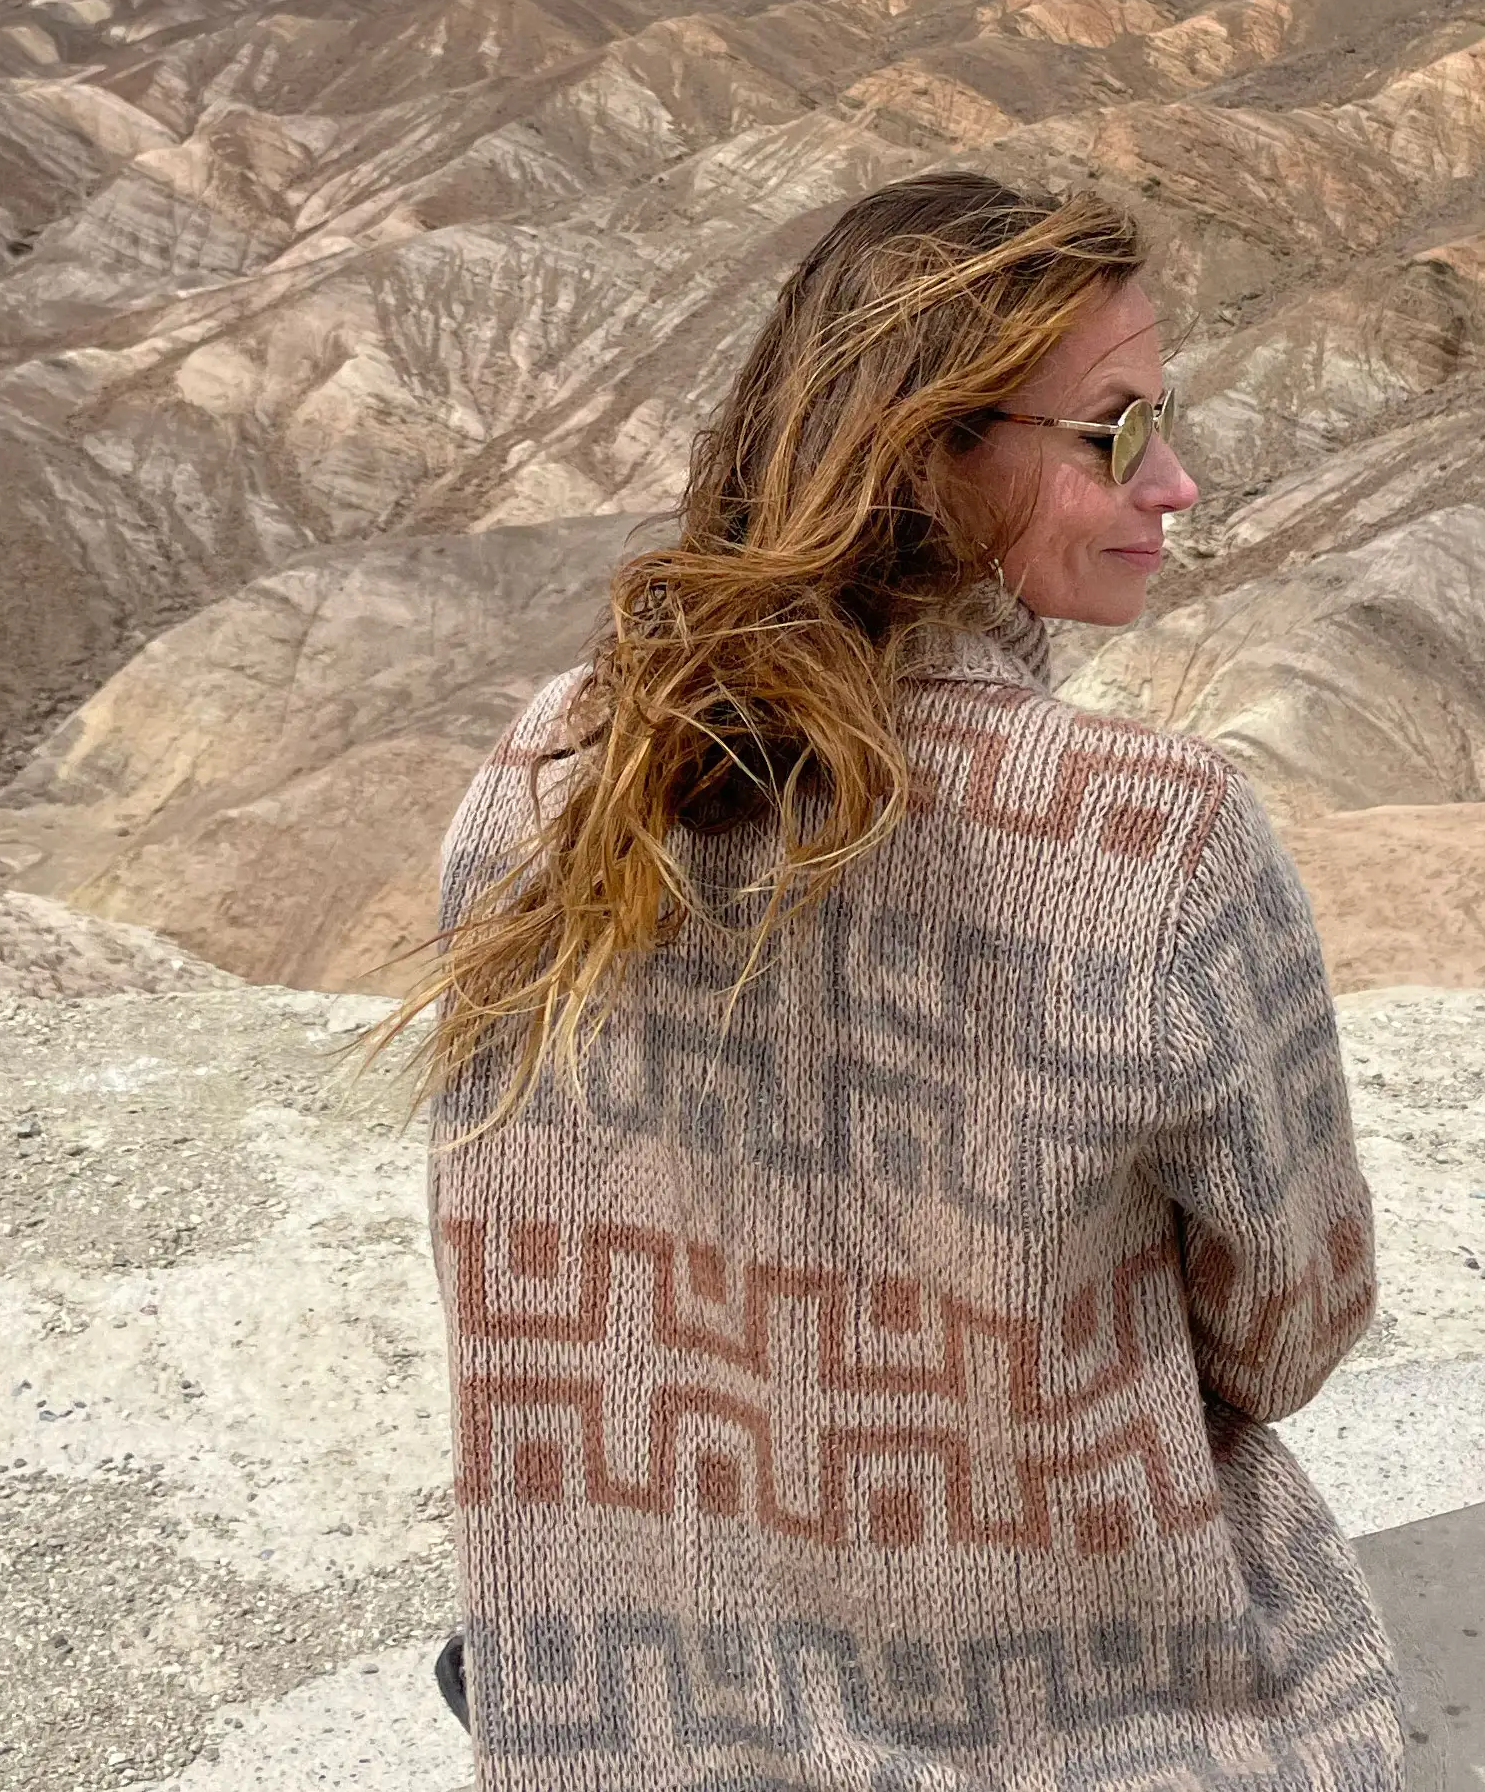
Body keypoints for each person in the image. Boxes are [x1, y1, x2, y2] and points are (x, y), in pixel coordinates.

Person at [368, 171, 1403, 1789]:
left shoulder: (550, 771)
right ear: (930, 455)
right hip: (1074, 1721)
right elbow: (1288, 1332)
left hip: (645, 1716)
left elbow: (497, 1270)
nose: (1178, 483)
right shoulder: (1162, 840)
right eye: (1115, 433)